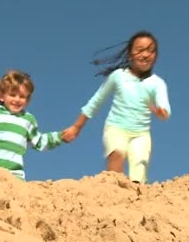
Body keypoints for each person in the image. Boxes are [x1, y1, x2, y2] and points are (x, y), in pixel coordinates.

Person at [61, 30, 171, 184]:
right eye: (139, 50)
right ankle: (113, 195)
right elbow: (96, 101)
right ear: (130, 55)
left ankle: (136, 201)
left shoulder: (157, 83)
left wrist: (162, 113)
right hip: (116, 128)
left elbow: (164, 107)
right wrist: (76, 127)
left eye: (150, 51)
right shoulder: (118, 76)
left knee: (140, 163)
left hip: (141, 134)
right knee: (117, 154)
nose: (145, 55)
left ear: (156, 56)